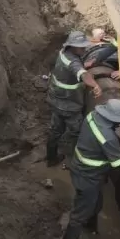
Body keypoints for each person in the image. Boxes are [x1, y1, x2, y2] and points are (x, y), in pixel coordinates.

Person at [61, 99, 120, 239]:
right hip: (88, 177)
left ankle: (89, 226)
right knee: (80, 213)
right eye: (119, 121)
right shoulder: (107, 137)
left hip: (83, 168)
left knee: (96, 203)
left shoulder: (92, 116)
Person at [47, 31, 102, 166]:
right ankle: (75, 162)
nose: (84, 49)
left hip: (56, 100)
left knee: (55, 130)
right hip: (69, 105)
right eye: (81, 47)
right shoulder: (73, 62)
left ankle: (51, 158)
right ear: (72, 46)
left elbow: (76, 68)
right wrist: (95, 85)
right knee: (77, 132)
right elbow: (83, 75)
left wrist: (83, 65)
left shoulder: (64, 53)